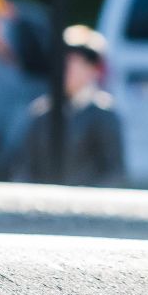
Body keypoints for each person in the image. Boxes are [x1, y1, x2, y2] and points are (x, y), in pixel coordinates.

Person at [15, 24, 126, 186]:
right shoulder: (41, 112)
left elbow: (115, 173)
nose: (67, 68)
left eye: (75, 62)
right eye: (63, 61)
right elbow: (24, 169)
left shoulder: (103, 113)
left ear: (93, 69)